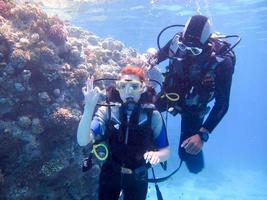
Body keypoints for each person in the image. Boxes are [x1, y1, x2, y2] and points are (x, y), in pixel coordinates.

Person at [148, 15, 236, 173]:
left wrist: (202, 136)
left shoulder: (223, 62)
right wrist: (145, 63)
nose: (188, 53)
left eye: (194, 50)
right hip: (170, 95)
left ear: (207, 44)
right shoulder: (176, 41)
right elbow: (156, 58)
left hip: (194, 108)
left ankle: (196, 165)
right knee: (141, 116)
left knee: (187, 155)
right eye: (184, 48)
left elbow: (222, 104)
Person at [77, 65, 170, 200]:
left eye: (134, 86)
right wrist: (89, 107)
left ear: (142, 88)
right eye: (123, 86)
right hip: (110, 173)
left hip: (138, 176)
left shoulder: (153, 116)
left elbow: (166, 151)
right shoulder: (107, 112)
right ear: (117, 88)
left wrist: (158, 156)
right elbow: (82, 140)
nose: (129, 91)